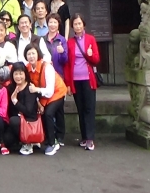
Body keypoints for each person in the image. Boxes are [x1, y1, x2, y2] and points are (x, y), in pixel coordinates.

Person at [65, 13, 100, 151]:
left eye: (80, 23)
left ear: (84, 24)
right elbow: (67, 64)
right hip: (75, 80)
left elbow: (96, 59)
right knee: (80, 109)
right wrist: (68, 83)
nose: (78, 26)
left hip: (88, 79)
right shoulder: (70, 42)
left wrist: (90, 55)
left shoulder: (90, 39)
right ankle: (84, 137)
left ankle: (90, 138)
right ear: (72, 26)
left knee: (89, 108)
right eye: (75, 24)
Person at [26, 44, 67, 156]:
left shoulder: (47, 67)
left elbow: (49, 91)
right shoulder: (27, 68)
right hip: (43, 95)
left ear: (38, 54)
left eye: (33, 53)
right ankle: (46, 137)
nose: (31, 56)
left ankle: (52, 143)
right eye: (28, 54)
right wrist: (39, 104)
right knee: (41, 111)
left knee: (49, 113)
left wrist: (37, 92)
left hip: (57, 92)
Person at [5, 62, 39, 155]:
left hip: (29, 120)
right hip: (17, 120)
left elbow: (28, 111)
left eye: (21, 73)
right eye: (16, 74)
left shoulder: (30, 88)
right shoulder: (11, 87)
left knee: (14, 120)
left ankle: (28, 143)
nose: (18, 76)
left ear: (25, 74)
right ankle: (22, 139)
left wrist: (15, 101)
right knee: (6, 140)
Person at [42, 13, 69, 78]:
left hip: (58, 74)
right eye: (51, 22)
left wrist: (62, 52)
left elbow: (64, 61)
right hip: (44, 74)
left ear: (58, 24)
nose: (53, 25)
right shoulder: (42, 40)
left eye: (55, 22)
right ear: (47, 24)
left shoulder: (62, 40)